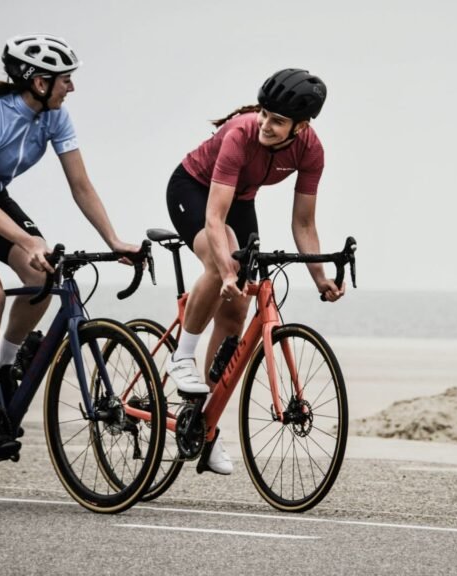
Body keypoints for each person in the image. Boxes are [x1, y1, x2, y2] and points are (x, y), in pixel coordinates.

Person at [0, 34, 140, 460]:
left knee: (43, 274)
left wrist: (113, 240)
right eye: (65, 80)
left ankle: (5, 363)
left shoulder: (56, 117)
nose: (71, 87)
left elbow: (81, 185)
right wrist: (28, 238)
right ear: (40, 83)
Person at [165, 68, 344, 475]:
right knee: (219, 261)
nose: (265, 124)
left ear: (301, 127)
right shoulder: (240, 134)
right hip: (193, 189)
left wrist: (320, 278)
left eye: (277, 121)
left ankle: (204, 425)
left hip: (240, 199)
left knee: (237, 308)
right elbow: (214, 218)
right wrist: (226, 269)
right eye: (264, 113)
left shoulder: (311, 151)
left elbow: (304, 225)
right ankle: (183, 356)